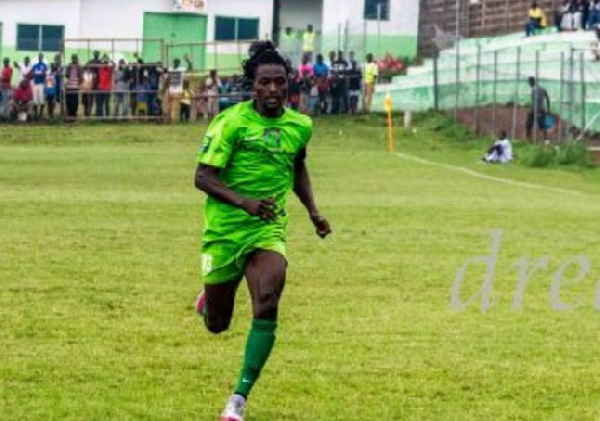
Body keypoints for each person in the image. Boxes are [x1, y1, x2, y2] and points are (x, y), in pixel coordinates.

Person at [194, 40, 331, 421]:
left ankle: (237, 400)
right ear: (252, 85)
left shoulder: (299, 126)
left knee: (268, 298)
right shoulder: (231, 122)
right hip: (225, 230)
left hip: (268, 229)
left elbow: (297, 167)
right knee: (218, 325)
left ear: (289, 84)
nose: (273, 90)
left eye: (280, 83)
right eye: (265, 83)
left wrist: (313, 212)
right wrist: (244, 202)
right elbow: (202, 177)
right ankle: (209, 301)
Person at [526, 76, 550, 140]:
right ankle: (545, 139)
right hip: (542, 109)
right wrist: (548, 108)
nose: (529, 84)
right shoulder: (543, 89)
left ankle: (528, 139)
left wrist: (534, 110)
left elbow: (535, 101)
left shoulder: (533, 90)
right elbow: (547, 98)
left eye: (529, 82)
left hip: (535, 109)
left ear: (532, 82)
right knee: (543, 125)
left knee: (528, 124)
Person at [64, 54, 82, 120]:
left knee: (75, 102)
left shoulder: (79, 66)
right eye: (73, 58)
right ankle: (69, 115)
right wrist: (69, 68)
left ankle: (73, 116)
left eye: (75, 58)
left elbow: (81, 76)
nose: (74, 59)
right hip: (68, 86)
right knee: (68, 102)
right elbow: (66, 75)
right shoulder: (69, 66)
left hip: (75, 86)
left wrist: (78, 84)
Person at [31, 53, 48, 119]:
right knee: (35, 99)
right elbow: (32, 72)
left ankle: (40, 113)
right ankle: (36, 114)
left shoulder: (44, 65)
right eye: (39, 56)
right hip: (35, 83)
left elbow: (43, 73)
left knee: (41, 99)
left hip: (41, 84)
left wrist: (37, 73)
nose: (40, 57)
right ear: (38, 57)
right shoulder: (35, 65)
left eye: (41, 56)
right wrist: (38, 73)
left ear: (42, 57)